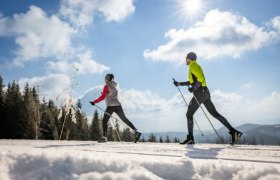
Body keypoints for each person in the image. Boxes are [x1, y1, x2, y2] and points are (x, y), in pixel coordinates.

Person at [173, 52, 242, 145]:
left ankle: (190, 138)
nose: (185, 60)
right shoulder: (195, 66)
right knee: (215, 114)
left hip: (200, 94)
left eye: (186, 58)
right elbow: (193, 81)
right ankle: (234, 132)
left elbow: (201, 78)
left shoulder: (193, 66)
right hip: (205, 92)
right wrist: (179, 84)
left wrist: (194, 88)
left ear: (190, 59)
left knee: (189, 114)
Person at [90, 74, 141, 143]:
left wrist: (94, 102)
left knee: (104, 121)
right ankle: (136, 131)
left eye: (105, 78)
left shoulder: (106, 86)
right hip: (118, 105)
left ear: (108, 79)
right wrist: (107, 95)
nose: (104, 80)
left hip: (111, 106)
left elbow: (102, 97)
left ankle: (104, 138)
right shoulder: (114, 86)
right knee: (124, 119)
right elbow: (110, 95)